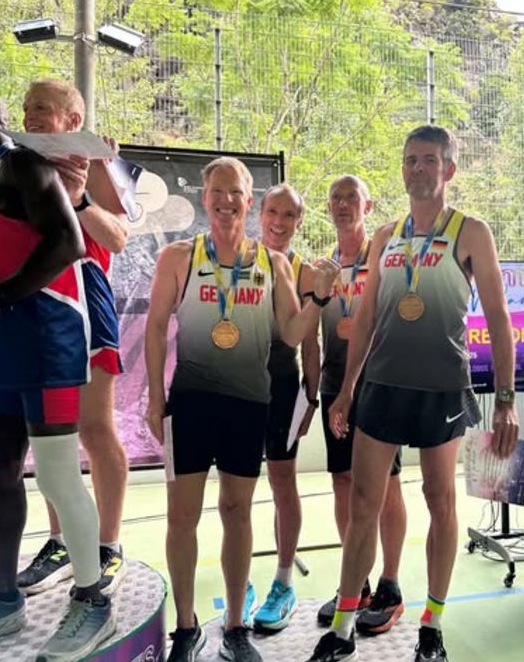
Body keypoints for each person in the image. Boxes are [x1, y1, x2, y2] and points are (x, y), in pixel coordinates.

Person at [305, 125, 519, 662]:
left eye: (428, 160)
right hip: (380, 387)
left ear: (449, 169)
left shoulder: (471, 232)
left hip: (440, 390)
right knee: (362, 504)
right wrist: (346, 390)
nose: (417, 169)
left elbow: (498, 318)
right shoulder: (386, 236)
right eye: (410, 160)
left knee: (439, 500)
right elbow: (367, 317)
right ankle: (343, 629)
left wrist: (506, 400)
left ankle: (432, 626)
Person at [144, 157, 339, 662]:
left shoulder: (272, 264)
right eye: (217, 191)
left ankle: (234, 626)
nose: (226, 200)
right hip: (189, 403)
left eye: (236, 193)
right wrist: (155, 399)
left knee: (237, 512)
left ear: (248, 201)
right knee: (181, 516)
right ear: (204, 197)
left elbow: (291, 332)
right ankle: (186, 627)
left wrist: (318, 299)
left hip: (249, 405)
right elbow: (155, 328)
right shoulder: (178, 257)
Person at [0, 88, 115, 658]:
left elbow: (69, 241)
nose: (30, 115)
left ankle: (93, 601)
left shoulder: (20, 164)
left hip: (48, 332)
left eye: (42, 107)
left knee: (59, 474)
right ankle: (3, 594)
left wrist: (0, 294)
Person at [16, 79, 129, 597]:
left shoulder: (96, 158)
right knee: (48, 433)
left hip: (83, 296)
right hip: (34, 299)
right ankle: (61, 543)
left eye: (43, 107)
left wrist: (80, 197)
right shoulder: (17, 160)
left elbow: (117, 237)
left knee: (95, 427)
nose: (32, 116)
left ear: (73, 119)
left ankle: (108, 545)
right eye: (27, 108)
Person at [316, 175, 408, 636]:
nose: (343, 204)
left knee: (386, 487)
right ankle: (359, 583)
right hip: (334, 386)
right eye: (336, 198)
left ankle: (390, 585)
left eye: (352, 197)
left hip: (379, 386)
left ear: (367, 205)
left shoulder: (384, 257)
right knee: (343, 483)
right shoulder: (325, 267)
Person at [251, 183, 320, 631]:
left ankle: (283, 580)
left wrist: (311, 398)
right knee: (234, 488)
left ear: (299, 221)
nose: (279, 222)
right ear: (260, 214)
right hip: (238, 386)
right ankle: (239, 579)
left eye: (289, 215)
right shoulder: (238, 259)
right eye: (273, 212)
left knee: (282, 482)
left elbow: (310, 343)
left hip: (282, 386)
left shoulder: (304, 272)